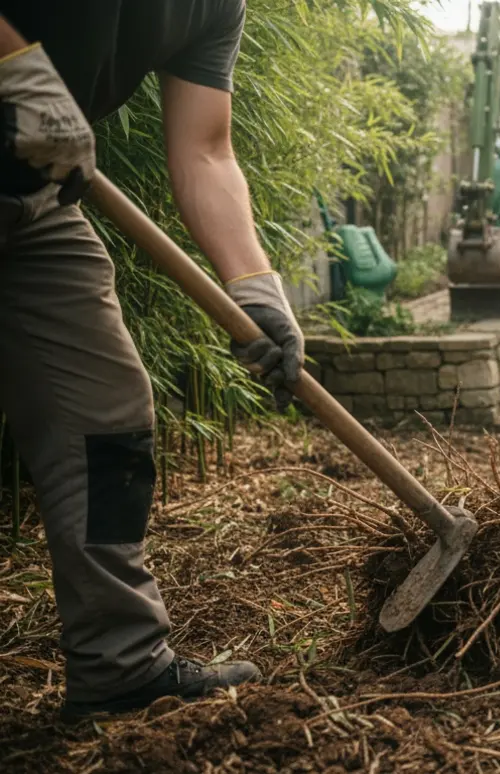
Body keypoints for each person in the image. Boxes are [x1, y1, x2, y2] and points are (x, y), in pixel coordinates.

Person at [0, 2, 304, 720]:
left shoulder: (214, 8)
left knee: (106, 420)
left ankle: (120, 661)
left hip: (31, 200)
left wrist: (253, 283)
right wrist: (16, 70)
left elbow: (207, 150)